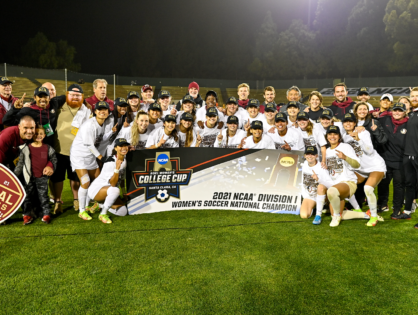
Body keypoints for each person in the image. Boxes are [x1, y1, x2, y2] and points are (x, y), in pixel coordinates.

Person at [50, 84, 90, 213]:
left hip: (77, 151)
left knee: (75, 178)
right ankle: (58, 201)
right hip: (59, 149)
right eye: (72, 95)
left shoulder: (86, 110)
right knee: (58, 178)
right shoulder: (59, 106)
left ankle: (76, 200)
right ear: (67, 95)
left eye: (78, 95)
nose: (75, 97)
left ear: (82, 97)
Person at [341, 113, 386, 226]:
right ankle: (357, 209)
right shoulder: (344, 135)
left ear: (355, 123)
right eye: (345, 121)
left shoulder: (363, 132)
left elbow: (370, 151)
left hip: (375, 166)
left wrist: (359, 139)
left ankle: (374, 217)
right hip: (361, 168)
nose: (348, 124)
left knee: (368, 188)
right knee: (346, 183)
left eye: (350, 121)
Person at [70, 101, 111, 220]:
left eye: (105, 110)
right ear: (95, 111)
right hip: (79, 156)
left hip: (90, 156)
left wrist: (112, 132)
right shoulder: (89, 125)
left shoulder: (103, 124)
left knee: (99, 180)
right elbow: (89, 144)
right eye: (99, 109)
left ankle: (88, 205)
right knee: (85, 182)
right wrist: (101, 158)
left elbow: (100, 140)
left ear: (108, 112)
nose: (102, 112)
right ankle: (82, 211)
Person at [15, 126, 57, 224]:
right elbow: (20, 164)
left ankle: (46, 214)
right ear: (32, 135)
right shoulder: (25, 148)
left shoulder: (48, 148)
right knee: (28, 197)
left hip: (42, 178)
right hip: (28, 178)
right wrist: (14, 176)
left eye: (41, 134)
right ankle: (27, 215)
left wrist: (50, 166)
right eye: (36, 134)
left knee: (43, 196)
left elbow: (53, 160)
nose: (38, 136)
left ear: (44, 135)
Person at [324, 126, 361, 227]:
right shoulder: (326, 151)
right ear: (327, 136)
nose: (332, 136)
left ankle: (336, 215)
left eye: (335, 134)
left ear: (339, 136)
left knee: (332, 191)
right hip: (334, 184)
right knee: (336, 213)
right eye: (330, 134)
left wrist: (345, 157)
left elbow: (357, 165)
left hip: (348, 182)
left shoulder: (345, 147)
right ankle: (365, 215)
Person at [378, 102, 410, 219]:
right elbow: (371, 121)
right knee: (383, 183)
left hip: (400, 161)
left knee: (398, 185)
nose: (397, 113)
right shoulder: (384, 120)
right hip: (385, 159)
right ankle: (381, 204)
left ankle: (397, 209)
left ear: (405, 112)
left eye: (400, 110)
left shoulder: (409, 124)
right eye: (395, 110)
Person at [87, 138, 130, 224]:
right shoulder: (110, 162)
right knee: (115, 190)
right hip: (97, 190)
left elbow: (121, 178)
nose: (124, 148)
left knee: (123, 212)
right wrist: (117, 169)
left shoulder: (124, 160)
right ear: (115, 148)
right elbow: (113, 184)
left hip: (109, 191)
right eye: (121, 146)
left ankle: (100, 205)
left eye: (125, 145)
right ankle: (103, 214)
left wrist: (124, 192)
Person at [300, 146, 334, 224]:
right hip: (310, 196)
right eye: (308, 154)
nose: (310, 156)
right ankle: (316, 206)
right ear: (305, 155)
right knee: (304, 215)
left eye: (313, 154)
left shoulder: (321, 167)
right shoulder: (305, 164)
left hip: (320, 194)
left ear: (316, 156)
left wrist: (319, 179)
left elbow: (331, 185)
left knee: (320, 187)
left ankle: (318, 214)